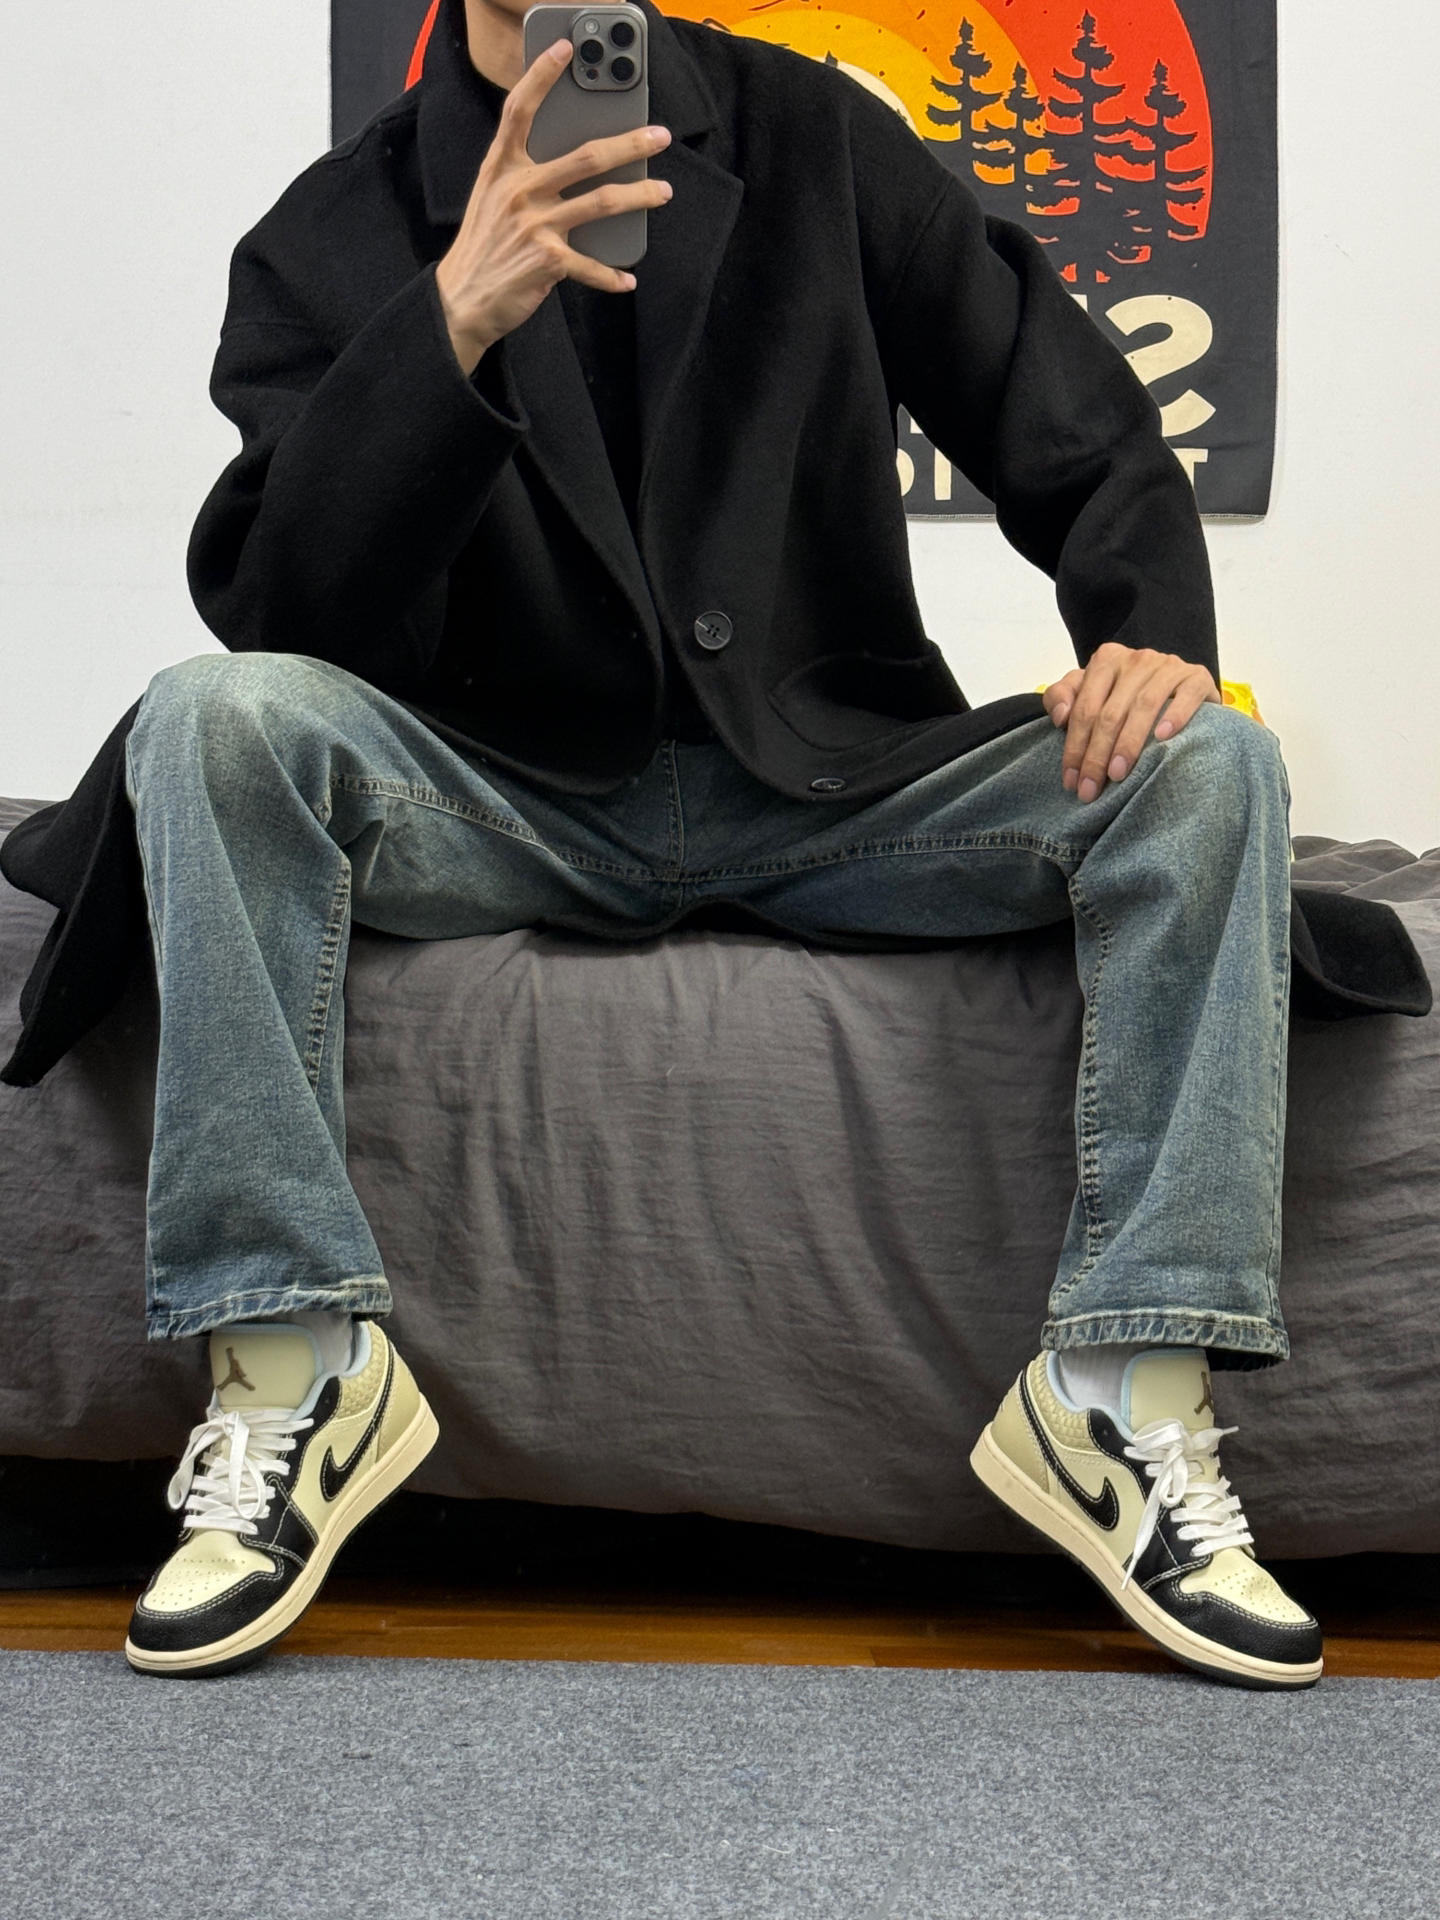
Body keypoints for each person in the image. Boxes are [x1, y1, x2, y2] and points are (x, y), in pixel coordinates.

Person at [103, 0, 1322, 1683]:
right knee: (205, 719)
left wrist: (1147, 635)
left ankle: (1126, 1393)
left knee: (1213, 763)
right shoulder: (332, 236)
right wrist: (449, 326)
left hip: (832, 790)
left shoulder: (818, 139)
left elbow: (1067, 410)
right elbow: (284, 619)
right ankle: (295, 1366)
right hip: (502, 797)